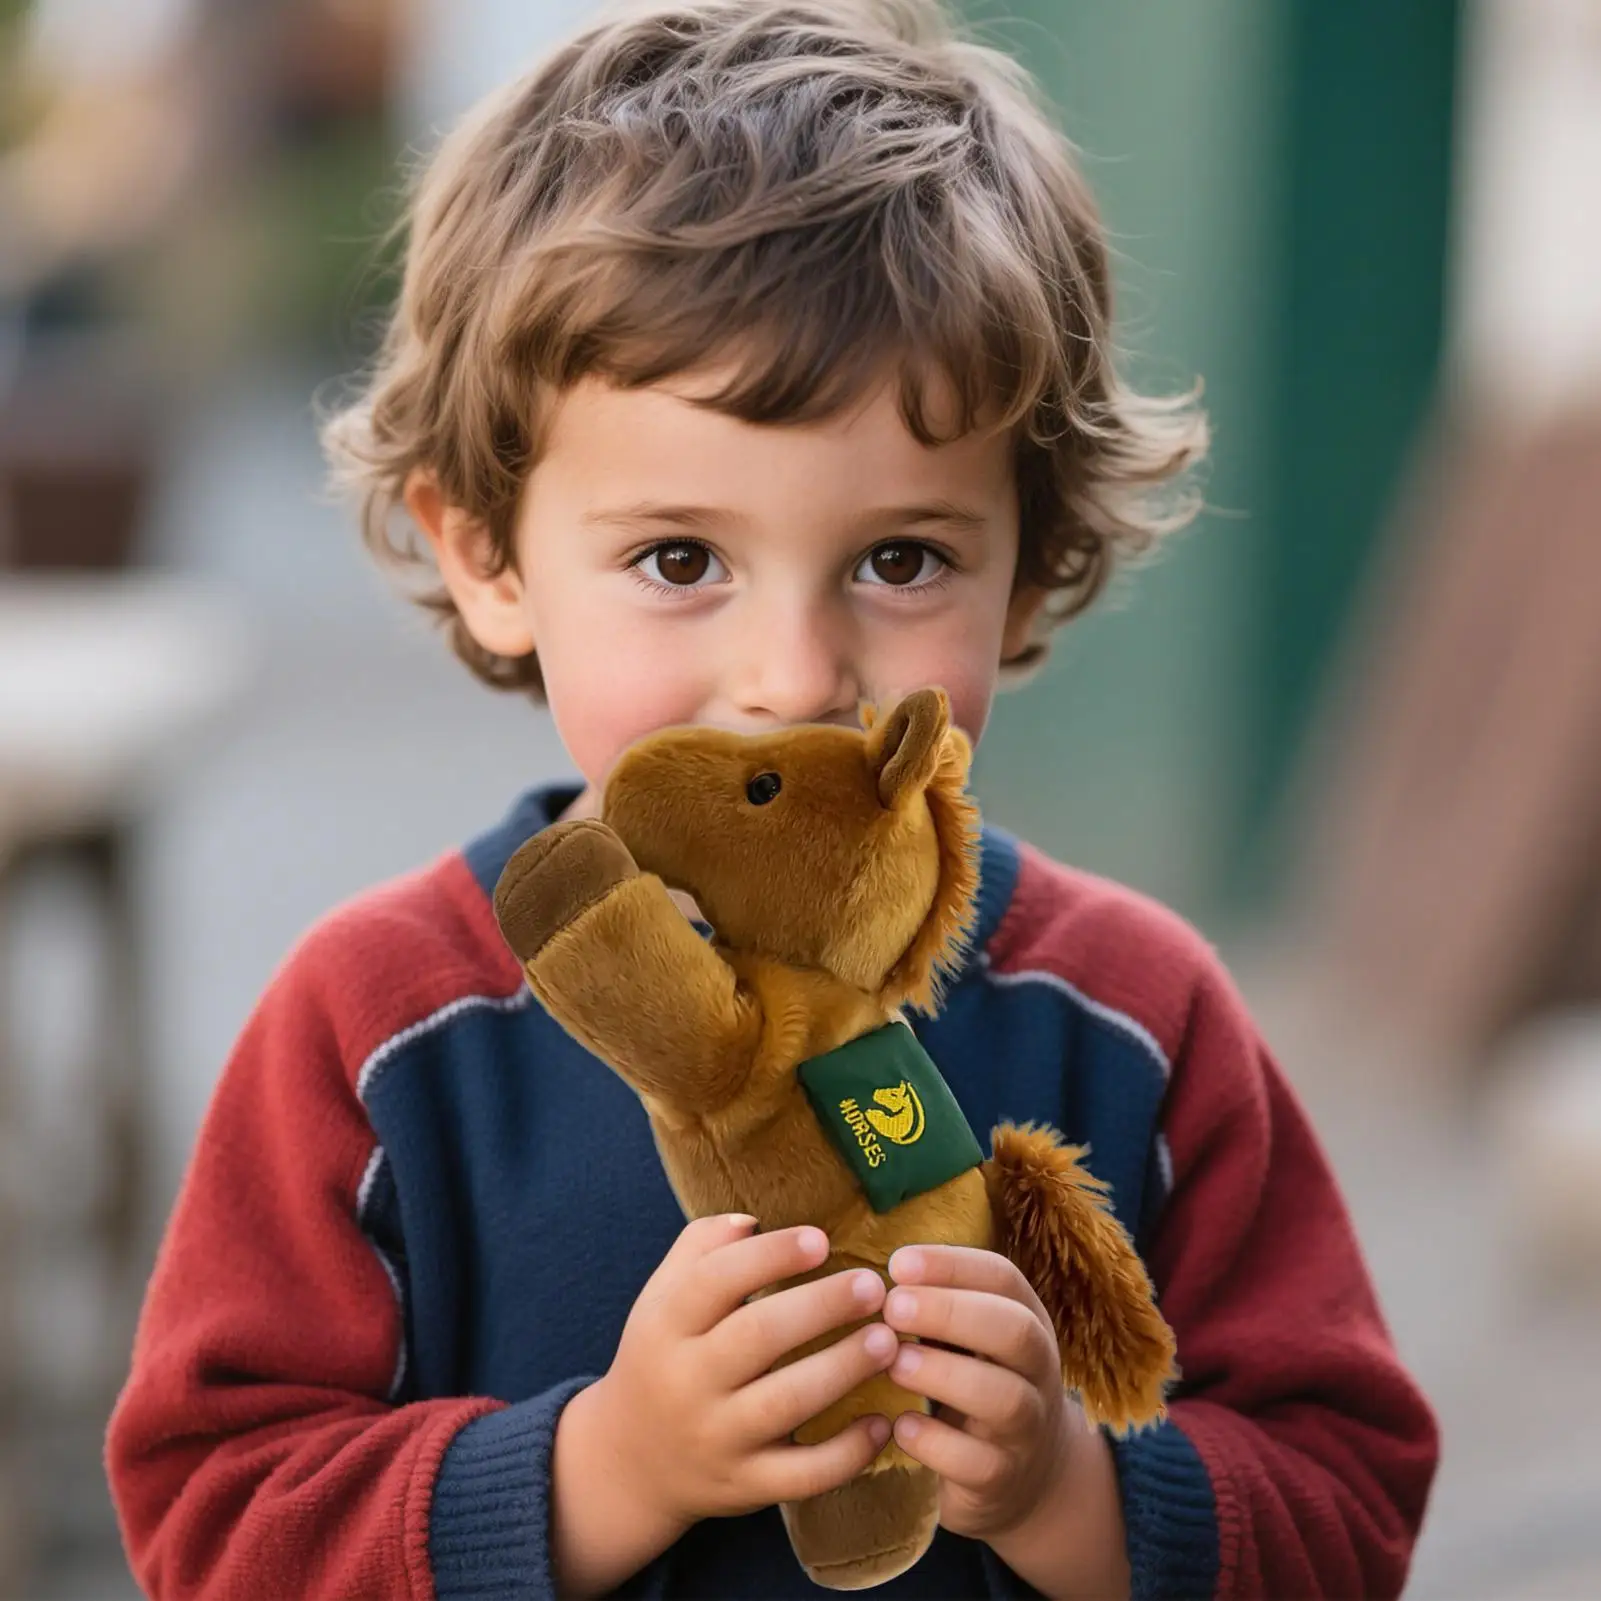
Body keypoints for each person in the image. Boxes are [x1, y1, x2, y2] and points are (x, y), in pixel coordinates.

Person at [105, 2, 1439, 1596]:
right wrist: (599, 1471)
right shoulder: (382, 1033)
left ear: (1029, 570)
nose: (799, 673)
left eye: (902, 560)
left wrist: (1072, 1496)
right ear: (486, 555)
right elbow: (210, 1516)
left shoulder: (1132, 1018)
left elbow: (1348, 1496)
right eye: (681, 560)